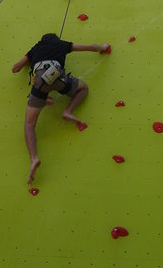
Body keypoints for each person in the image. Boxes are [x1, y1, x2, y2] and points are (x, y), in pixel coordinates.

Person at [12, 33, 109, 184]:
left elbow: (16, 68)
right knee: (83, 88)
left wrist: (27, 60)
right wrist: (101, 47)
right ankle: (68, 110)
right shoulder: (61, 44)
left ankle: (34, 158)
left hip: (39, 83)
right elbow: (85, 47)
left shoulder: (35, 49)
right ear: (55, 39)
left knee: (29, 125)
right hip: (58, 78)